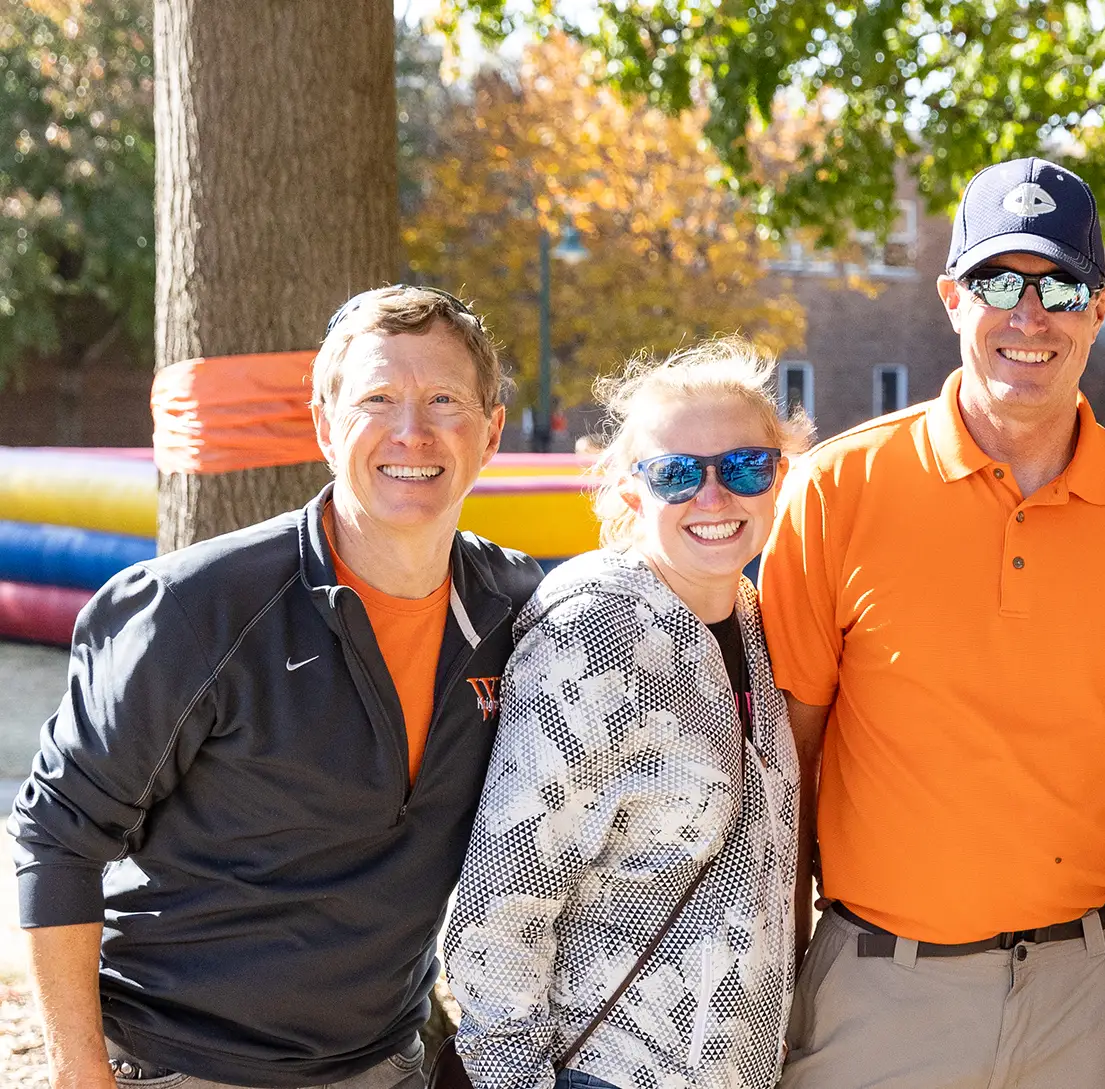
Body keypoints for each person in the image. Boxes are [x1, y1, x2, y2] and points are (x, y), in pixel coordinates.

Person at [9, 285, 541, 1089]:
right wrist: (79, 1071)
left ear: (491, 430)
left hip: (383, 1064)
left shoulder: (516, 609)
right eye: (377, 399)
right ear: (325, 426)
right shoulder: (197, 611)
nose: (412, 431)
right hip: (181, 1063)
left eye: (444, 400)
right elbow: (57, 832)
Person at [761, 156, 1105, 1089]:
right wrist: (767, 997)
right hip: (881, 998)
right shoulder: (836, 492)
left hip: (1091, 999)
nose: (1029, 313)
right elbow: (785, 779)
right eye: (998, 281)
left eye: (1061, 285)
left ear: (1100, 306)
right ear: (951, 298)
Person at [443, 338, 810, 1089]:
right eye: (677, 474)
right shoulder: (597, 632)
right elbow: (499, 902)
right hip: (596, 1071)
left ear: (780, 475)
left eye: (744, 465)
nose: (714, 499)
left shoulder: (753, 618)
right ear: (632, 491)